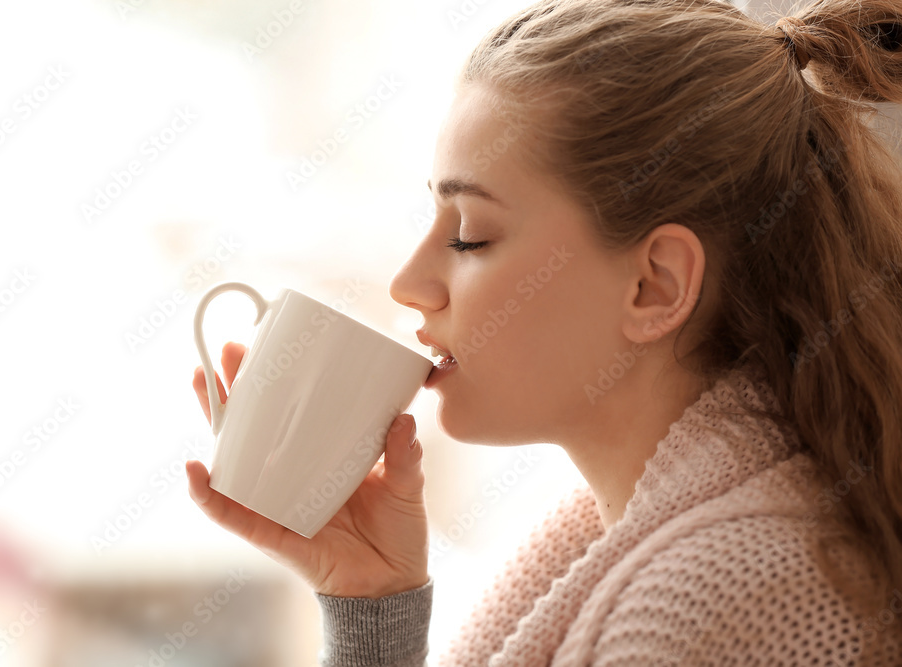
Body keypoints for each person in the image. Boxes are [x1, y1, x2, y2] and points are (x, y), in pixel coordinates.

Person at [186, 0, 902, 663]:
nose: (408, 282)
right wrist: (372, 607)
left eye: (468, 235)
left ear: (655, 284)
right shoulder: (640, 533)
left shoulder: (718, 603)